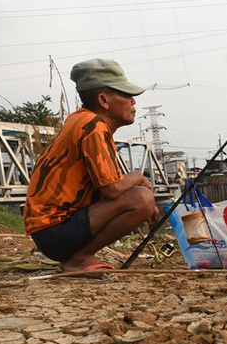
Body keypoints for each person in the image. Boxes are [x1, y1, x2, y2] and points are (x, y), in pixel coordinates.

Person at [24, 58, 158, 273]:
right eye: (125, 94)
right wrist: (139, 178)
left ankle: (79, 256)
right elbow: (112, 189)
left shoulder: (80, 120)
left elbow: (106, 188)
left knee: (142, 197)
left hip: (49, 232)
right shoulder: (93, 126)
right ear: (104, 100)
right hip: (55, 233)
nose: (133, 101)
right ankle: (80, 258)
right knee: (142, 198)